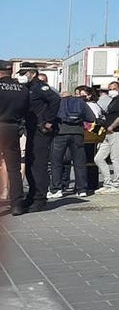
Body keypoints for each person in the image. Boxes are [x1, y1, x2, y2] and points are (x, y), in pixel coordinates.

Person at [23, 69, 59, 212]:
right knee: (30, 163)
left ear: (33, 73)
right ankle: (32, 195)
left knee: (39, 165)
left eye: (24, 73)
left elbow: (56, 100)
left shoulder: (40, 87)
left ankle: (40, 199)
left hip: (41, 129)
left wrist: (49, 121)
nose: (22, 76)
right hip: (31, 128)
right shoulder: (28, 88)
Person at [48, 86, 91, 199]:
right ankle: (81, 189)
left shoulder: (58, 102)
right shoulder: (81, 102)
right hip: (78, 134)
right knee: (79, 162)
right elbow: (91, 118)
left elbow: (51, 117)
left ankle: (56, 189)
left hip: (60, 134)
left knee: (56, 162)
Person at [0, 60, 31, 215]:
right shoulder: (22, 89)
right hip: (12, 128)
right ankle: (17, 205)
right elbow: (26, 110)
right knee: (14, 168)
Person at [95, 82, 119, 192]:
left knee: (115, 158)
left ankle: (117, 184)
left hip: (118, 131)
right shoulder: (113, 100)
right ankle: (108, 182)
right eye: (109, 89)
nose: (111, 91)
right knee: (99, 158)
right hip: (108, 132)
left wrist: (112, 126)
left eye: (114, 88)